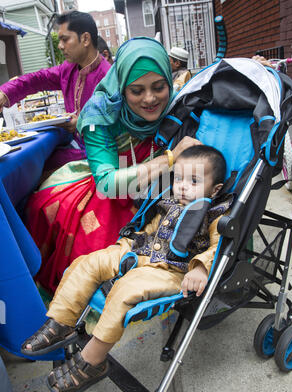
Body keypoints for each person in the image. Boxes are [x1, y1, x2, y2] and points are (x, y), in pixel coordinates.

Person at [21, 144, 233, 392]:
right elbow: (150, 227)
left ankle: (93, 361)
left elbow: (217, 246)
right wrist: (129, 244)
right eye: (178, 179)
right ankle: (62, 322)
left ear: (215, 188)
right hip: (138, 252)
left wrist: (200, 268)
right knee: (87, 263)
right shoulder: (169, 202)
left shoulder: (216, 213)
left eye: (194, 181)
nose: (183, 186)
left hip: (172, 271)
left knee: (124, 291)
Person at [25, 37, 201, 295]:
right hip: (113, 190)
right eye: (137, 91)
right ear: (122, 88)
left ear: (168, 80)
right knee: (90, 249)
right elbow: (107, 185)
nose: (150, 99)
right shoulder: (100, 115)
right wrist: (170, 159)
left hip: (162, 191)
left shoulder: (179, 106)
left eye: (159, 87)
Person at [0, 11, 111, 168]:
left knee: (30, 165)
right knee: (27, 159)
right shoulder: (69, 69)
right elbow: (38, 79)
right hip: (73, 144)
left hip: (98, 154)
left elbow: (117, 128)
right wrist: (5, 92)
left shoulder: (109, 77)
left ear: (85, 39)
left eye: (65, 39)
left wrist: (81, 123)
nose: (60, 46)